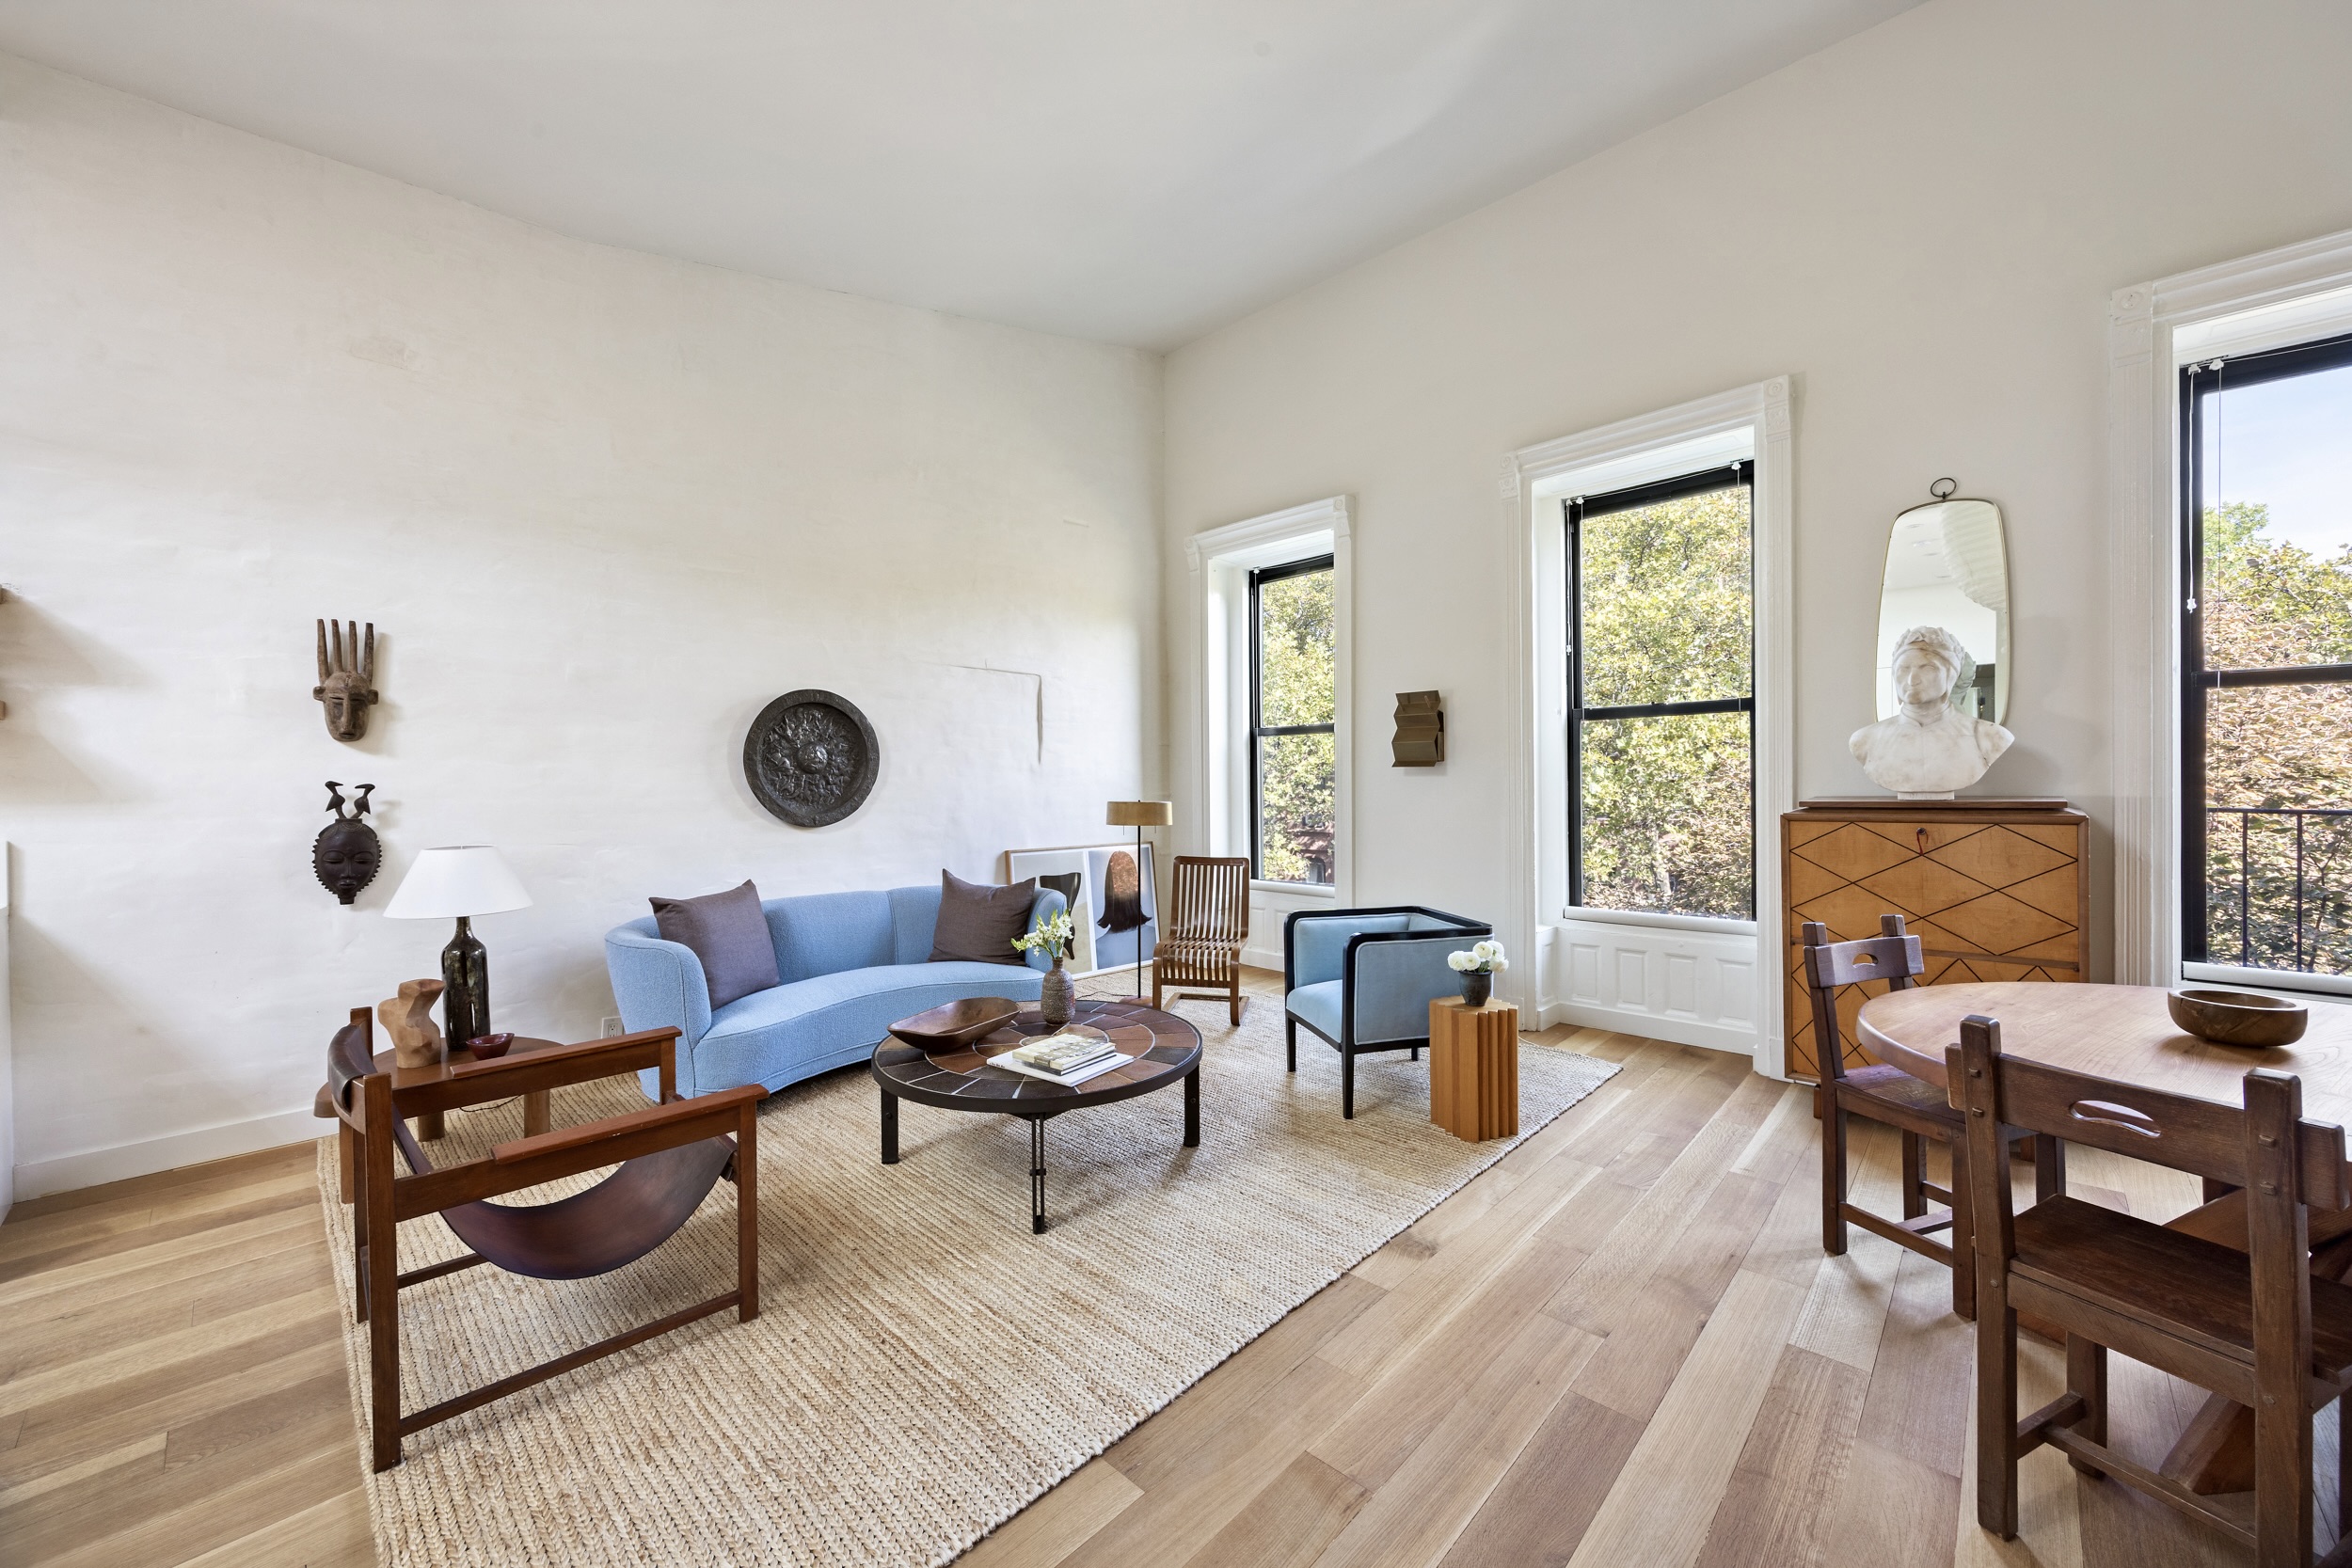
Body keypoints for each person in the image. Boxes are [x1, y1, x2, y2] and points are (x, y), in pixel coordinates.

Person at [1849, 626, 2012, 797]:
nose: (1912, 680)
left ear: (1951, 676)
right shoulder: (1865, 740)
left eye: (1927, 668)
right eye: (1904, 669)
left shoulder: (1990, 736)